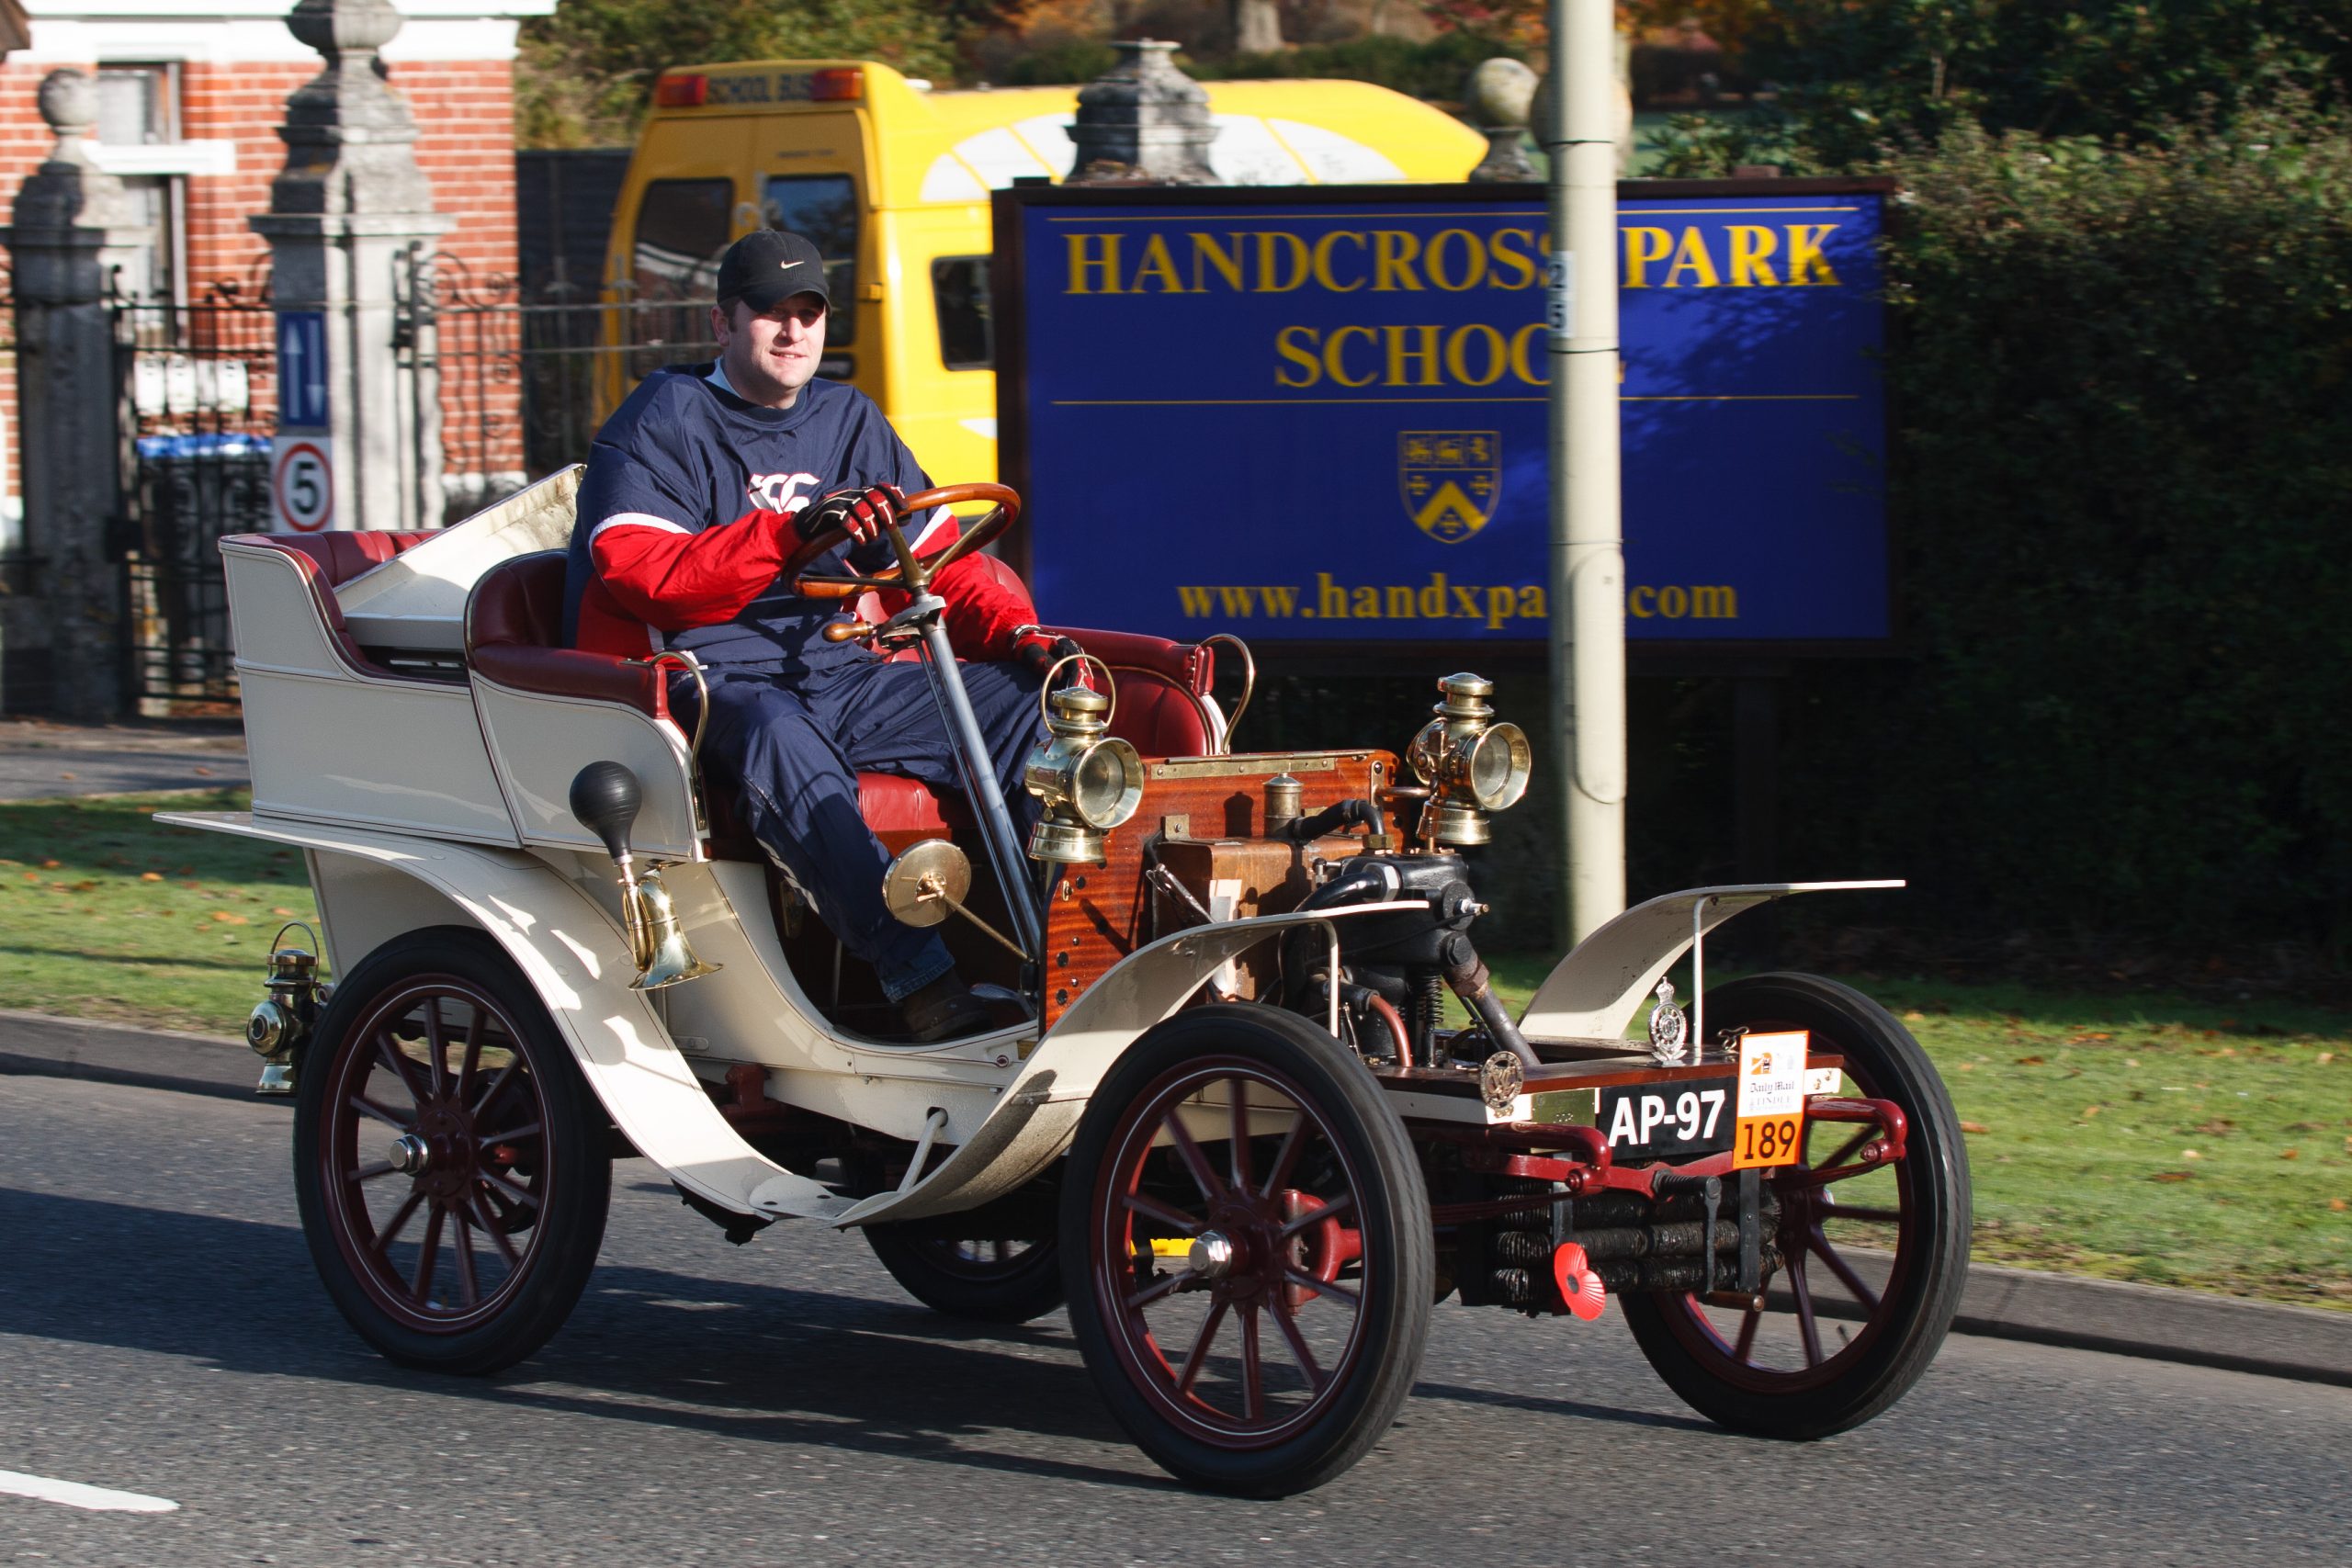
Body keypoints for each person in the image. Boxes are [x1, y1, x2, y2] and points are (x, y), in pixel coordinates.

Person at [562, 229, 1075, 1041]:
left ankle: (1060, 961)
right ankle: (923, 981)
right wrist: (787, 533)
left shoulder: (848, 417)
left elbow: (936, 557)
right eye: (770, 312)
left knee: (1029, 706)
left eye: (809, 312)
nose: (794, 330)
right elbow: (641, 570)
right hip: (713, 681)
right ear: (721, 322)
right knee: (778, 734)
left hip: (844, 672)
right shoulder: (664, 415)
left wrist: (1022, 634)